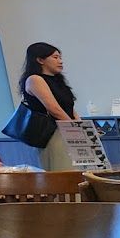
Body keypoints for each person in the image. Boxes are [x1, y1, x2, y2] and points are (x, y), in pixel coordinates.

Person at [18, 42, 78, 171]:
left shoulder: (58, 80)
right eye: (55, 57)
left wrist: (81, 126)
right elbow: (54, 109)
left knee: (80, 172)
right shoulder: (35, 79)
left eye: (60, 57)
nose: (60, 61)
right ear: (40, 60)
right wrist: (74, 128)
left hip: (67, 129)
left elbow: (69, 106)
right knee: (63, 171)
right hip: (51, 133)